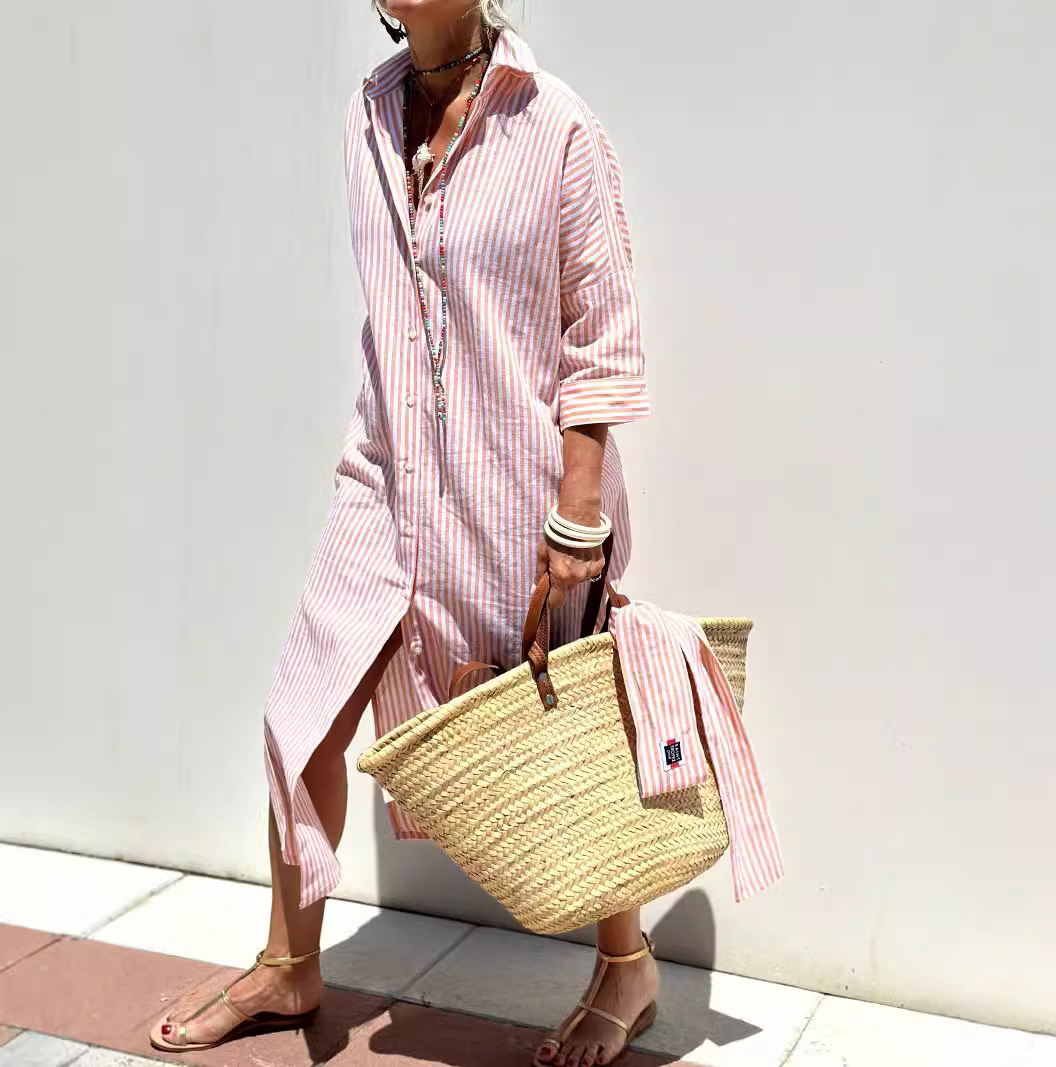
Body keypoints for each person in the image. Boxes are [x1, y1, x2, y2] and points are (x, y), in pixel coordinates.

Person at [150, 1, 656, 1063]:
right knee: (299, 713)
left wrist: (577, 508)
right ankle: (289, 962)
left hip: (520, 493)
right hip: (386, 482)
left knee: (558, 728)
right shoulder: (367, 117)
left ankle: (626, 960)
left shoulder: (556, 126)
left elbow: (600, 330)